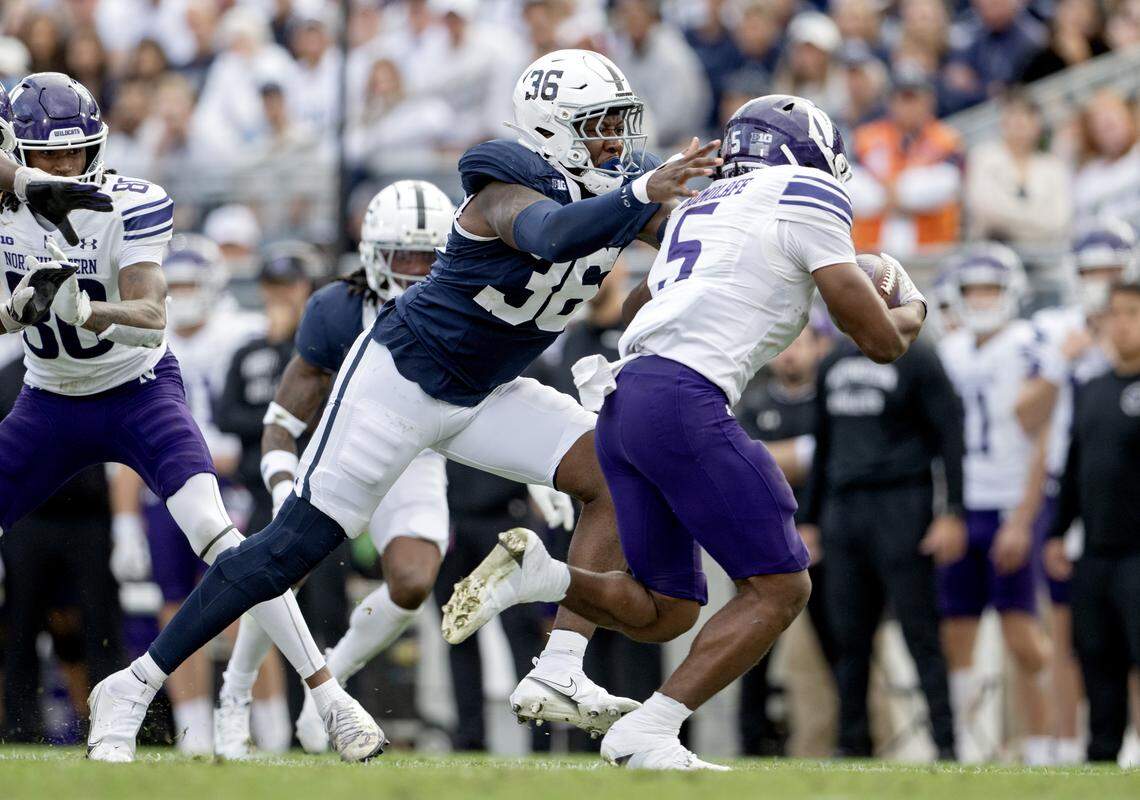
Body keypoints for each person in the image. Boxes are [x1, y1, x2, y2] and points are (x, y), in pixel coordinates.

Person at [90, 49, 716, 754]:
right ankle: (134, 683)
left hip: (486, 391)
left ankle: (561, 668)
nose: (615, 141)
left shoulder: (621, 182)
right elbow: (549, 233)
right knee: (287, 551)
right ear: (550, 129)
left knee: (615, 471)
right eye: (598, 125)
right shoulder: (502, 175)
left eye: (618, 124)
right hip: (402, 381)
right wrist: (641, 196)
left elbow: (690, 234)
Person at [441, 94, 928, 770]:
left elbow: (645, 301)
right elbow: (877, 340)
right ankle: (651, 729)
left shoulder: (703, 207)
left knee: (667, 609)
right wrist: (910, 303)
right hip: (682, 398)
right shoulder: (807, 189)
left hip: (626, 399)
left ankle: (544, 575)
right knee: (782, 587)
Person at [0, 71, 379, 764]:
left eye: (74, 153)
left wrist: (87, 309)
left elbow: (150, 318)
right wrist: (12, 307)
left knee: (218, 533)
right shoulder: (6, 201)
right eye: (45, 156)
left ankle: (328, 692)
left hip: (135, 389)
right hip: (49, 398)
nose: (62, 167)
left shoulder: (129, 204)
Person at [212, 180, 457, 758]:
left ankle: (334, 685)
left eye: (431, 258)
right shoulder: (336, 309)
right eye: (406, 258)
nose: (420, 272)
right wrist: (281, 486)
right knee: (278, 569)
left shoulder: (467, 305)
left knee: (415, 580)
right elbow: (280, 421)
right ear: (374, 255)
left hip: (415, 455)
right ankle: (235, 694)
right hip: (342, 455)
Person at [106, 233, 268, 755]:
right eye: (172, 284)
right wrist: (125, 523)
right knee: (173, 608)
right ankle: (194, 735)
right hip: (164, 485)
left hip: (233, 480)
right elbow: (127, 436)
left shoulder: (244, 333)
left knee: (246, 603)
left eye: (191, 282)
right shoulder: (142, 337)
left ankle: (263, 731)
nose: (182, 293)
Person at [803, 294, 964, 759]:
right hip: (842, 509)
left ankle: (946, 746)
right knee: (848, 638)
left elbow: (951, 437)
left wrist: (953, 510)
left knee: (920, 633)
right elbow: (823, 446)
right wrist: (810, 520)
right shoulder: (833, 360)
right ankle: (852, 746)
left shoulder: (921, 359)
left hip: (902, 504)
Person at [937, 244, 1053, 764]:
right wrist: (948, 510)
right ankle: (969, 746)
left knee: (1021, 633)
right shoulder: (951, 350)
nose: (982, 299)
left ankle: (1047, 742)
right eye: (973, 290)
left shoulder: (1030, 344)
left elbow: (1042, 437)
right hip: (966, 504)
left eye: (991, 288)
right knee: (957, 630)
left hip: (1010, 502)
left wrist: (1024, 519)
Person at [1019, 220, 1131, 763]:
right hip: (1069, 486)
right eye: (1091, 271)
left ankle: (1129, 742)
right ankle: (1068, 743)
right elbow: (1026, 418)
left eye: (1111, 270)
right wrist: (1064, 360)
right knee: (1069, 633)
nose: (1101, 281)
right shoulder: (1054, 330)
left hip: (1127, 494)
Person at [1044, 281, 1140, 763]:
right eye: (1116, 313)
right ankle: (1100, 761)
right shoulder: (1093, 389)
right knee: (1097, 658)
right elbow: (1077, 466)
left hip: (1137, 553)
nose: (1122, 323)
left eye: (1133, 313)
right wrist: (1058, 532)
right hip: (1096, 552)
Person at [849, 66, 963, 257]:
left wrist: (892, 191)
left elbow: (946, 185)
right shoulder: (865, 137)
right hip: (869, 254)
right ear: (891, 102)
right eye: (902, 98)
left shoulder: (947, 139)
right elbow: (851, 187)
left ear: (929, 101)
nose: (908, 106)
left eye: (914, 98)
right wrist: (896, 194)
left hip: (931, 253)